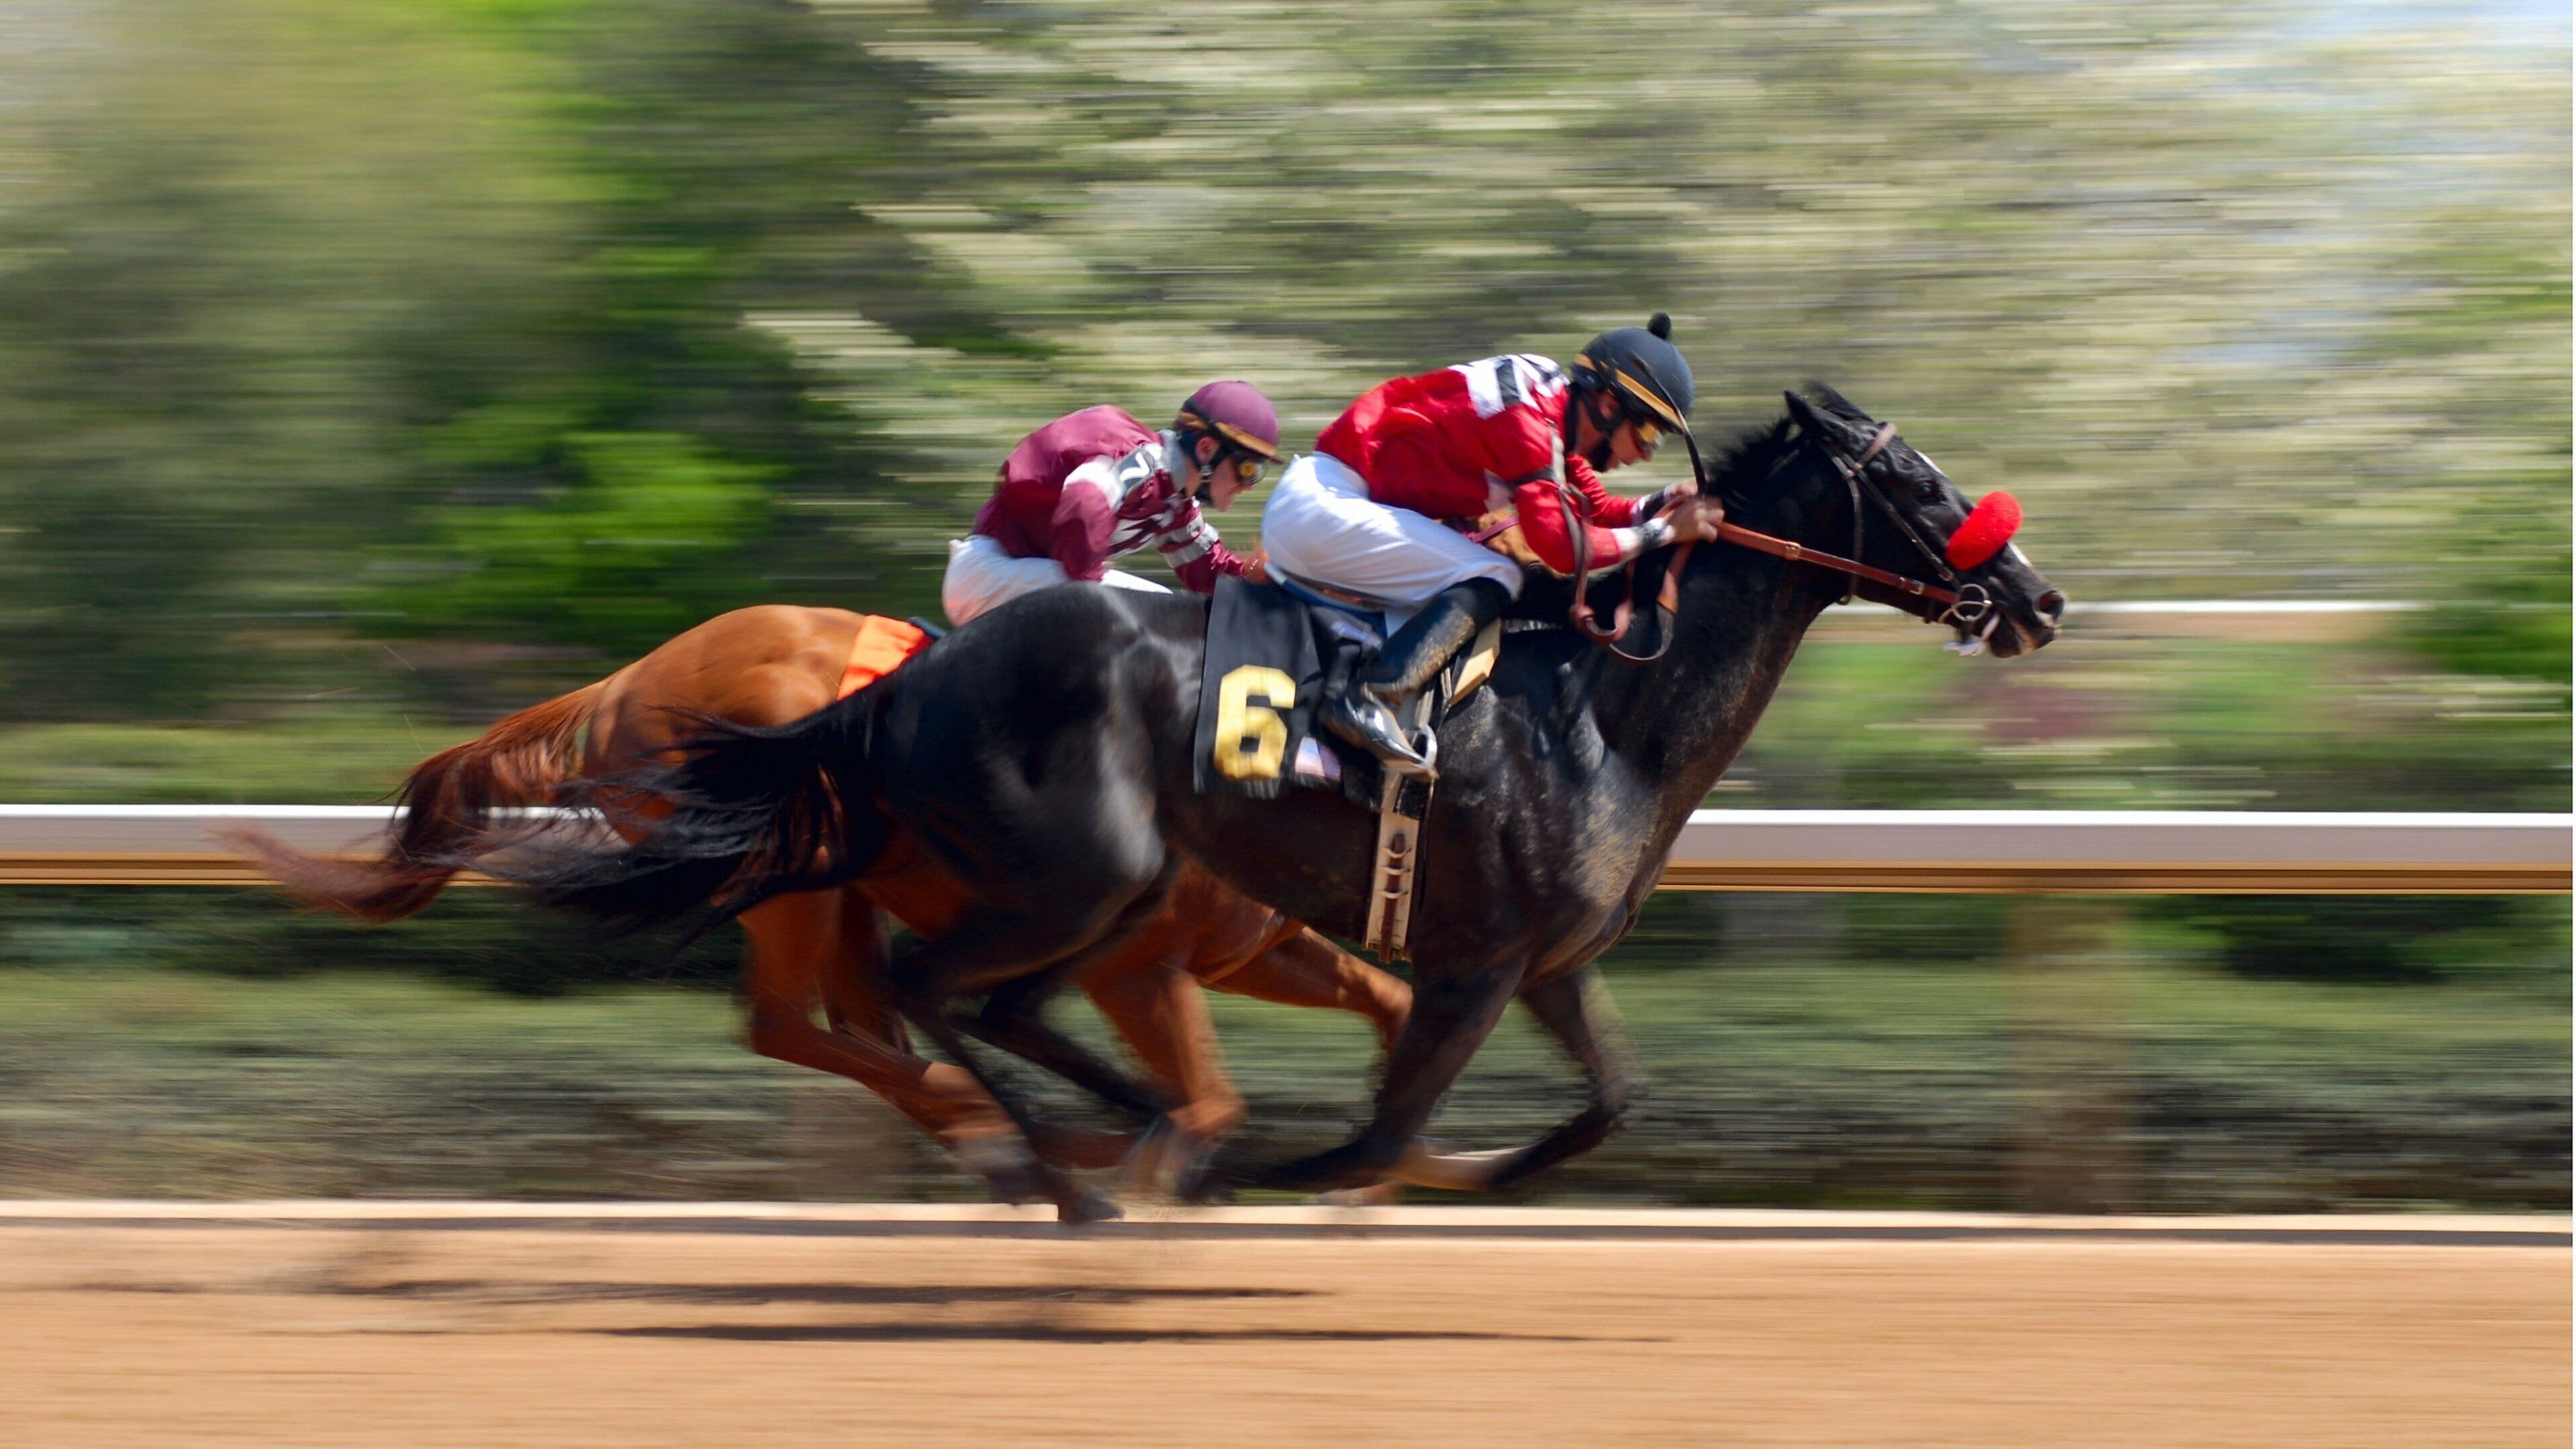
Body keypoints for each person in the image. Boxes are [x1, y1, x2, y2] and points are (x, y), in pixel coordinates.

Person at [1261, 314, 1727, 774]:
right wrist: (1666, 533)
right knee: (1497, 573)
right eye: (1648, 434)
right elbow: (1562, 547)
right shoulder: (1529, 423)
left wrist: (1664, 500)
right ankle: (1370, 695)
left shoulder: (1550, 407)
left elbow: (1598, 509)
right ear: (1609, 405)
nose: (1645, 453)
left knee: (1487, 571)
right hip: (1324, 507)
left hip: (1324, 501)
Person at [941, 382, 1281, 627]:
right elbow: (1083, 503)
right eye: (1248, 469)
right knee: (1164, 611)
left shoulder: (1174, 502)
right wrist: (1089, 590)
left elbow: (1212, 574)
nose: (1249, 485)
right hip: (991, 574)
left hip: (1014, 580)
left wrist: (1280, 581)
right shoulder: (1143, 463)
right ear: (1206, 449)